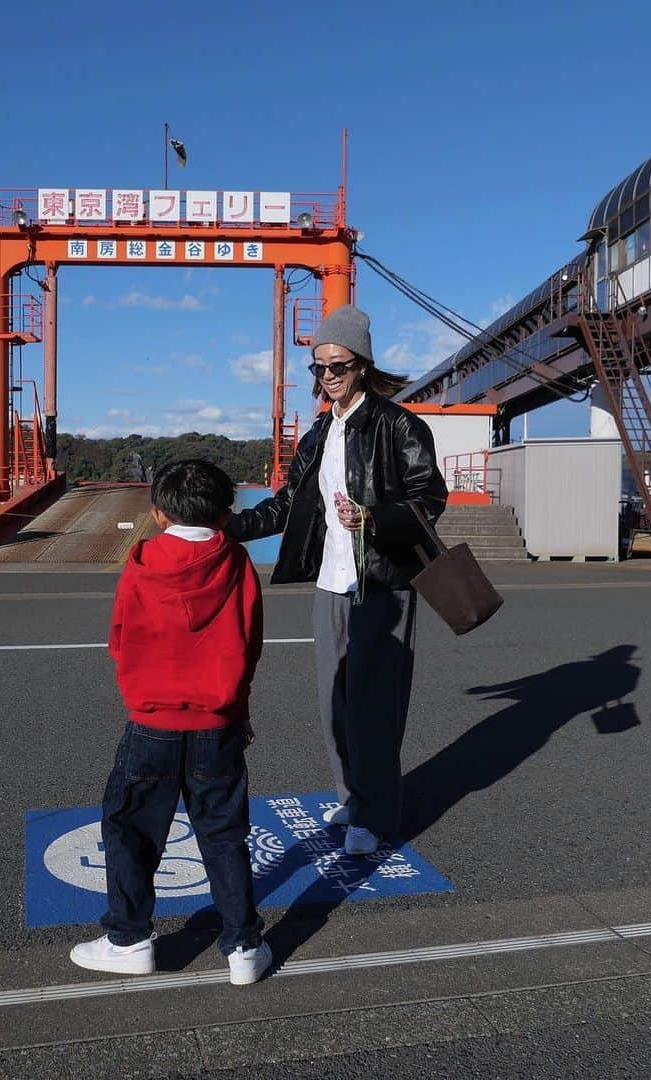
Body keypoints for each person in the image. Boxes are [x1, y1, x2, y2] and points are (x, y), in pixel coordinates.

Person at [226, 304, 447, 856]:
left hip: (382, 583)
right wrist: (224, 528)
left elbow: (430, 497)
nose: (328, 377)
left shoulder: (399, 425)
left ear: (363, 366)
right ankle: (353, 797)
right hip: (330, 583)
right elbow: (284, 505)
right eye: (320, 367)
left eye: (339, 366)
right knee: (334, 703)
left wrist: (375, 516)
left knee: (374, 703)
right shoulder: (320, 432)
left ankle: (375, 815)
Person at [70, 459, 272, 986]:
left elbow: (120, 639)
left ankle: (129, 937)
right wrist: (240, 707)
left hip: (152, 724)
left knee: (132, 829)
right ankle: (243, 946)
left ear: (159, 513)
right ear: (227, 512)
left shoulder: (143, 562)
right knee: (224, 834)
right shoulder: (237, 561)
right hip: (218, 724)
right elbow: (249, 642)